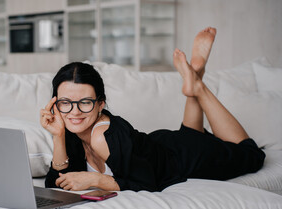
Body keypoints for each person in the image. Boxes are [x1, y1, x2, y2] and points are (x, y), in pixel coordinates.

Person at [40, 27, 265, 192]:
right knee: (191, 134)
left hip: (184, 158)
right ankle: (195, 73)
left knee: (252, 155)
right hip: (161, 144)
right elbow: (55, 182)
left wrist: (96, 180)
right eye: (66, 103)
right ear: (55, 103)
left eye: (85, 102)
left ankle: (198, 86)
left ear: (101, 104)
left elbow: (146, 183)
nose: (75, 111)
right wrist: (58, 136)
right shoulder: (70, 126)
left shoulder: (102, 136)